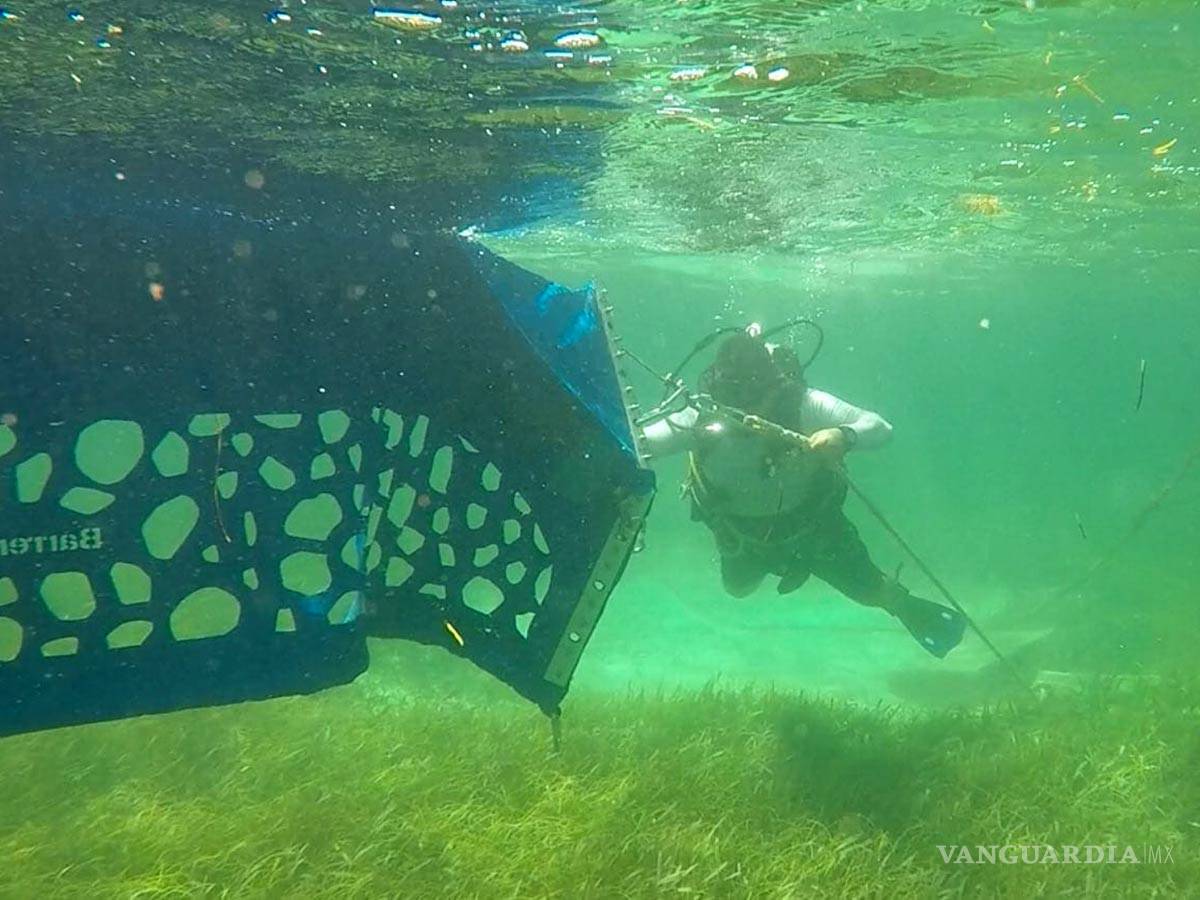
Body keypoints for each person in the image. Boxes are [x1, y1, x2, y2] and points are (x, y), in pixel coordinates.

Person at [640, 325, 966, 657]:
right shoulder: (699, 417)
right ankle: (796, 568)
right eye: (731, 393)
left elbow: (880, 428)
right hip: (740, 534)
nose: (743, 407)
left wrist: (843, 436)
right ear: (716, 386)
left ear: (774, 385)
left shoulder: (805, 404)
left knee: (871, 591)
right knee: (737, 589)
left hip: (815, 527)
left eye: (751, 393)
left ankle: (907, 607)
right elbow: (643, 443)